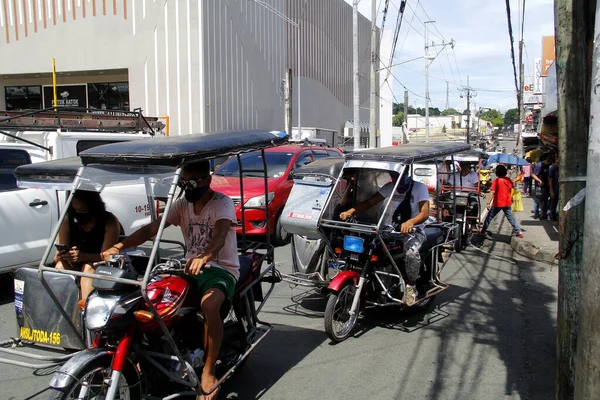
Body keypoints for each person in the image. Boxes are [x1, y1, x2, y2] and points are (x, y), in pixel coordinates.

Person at [102, 160, 239, 400]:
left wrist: (205, 256)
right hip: (188, 267)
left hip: (220, 268)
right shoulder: (181, 205)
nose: (189, 186)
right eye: (184, 181)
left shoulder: (222, 203)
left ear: (207, 180)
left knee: (209, 305)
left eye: (194, 181)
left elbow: (219, 234)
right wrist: (119, 246)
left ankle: (209, 370)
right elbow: (151, 229)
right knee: (152, 301)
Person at [339, 168, 430, 306]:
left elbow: (425, 213)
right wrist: (351, 211)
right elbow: (370, 202)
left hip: (413, 232)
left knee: (411, 253)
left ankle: (411, 286)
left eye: (398, 175)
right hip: (389, 230)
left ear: (406, 174)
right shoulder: (390, 187)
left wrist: (410, 222)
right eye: (393, 175)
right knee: (368, 248)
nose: (395, 179)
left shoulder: (419, 188)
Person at [55, 190, 121, 302]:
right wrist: (64, 256)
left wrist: (83, 257)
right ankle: (61, 307)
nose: (79, 214)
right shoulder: (68, 221)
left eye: (83, 210)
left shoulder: (109, 221)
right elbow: (57, 257)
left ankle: (84, 309)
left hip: (99, 264)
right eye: (75, 210)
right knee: (60, 266)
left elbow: (106, 256)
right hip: (75, 263)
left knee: (88, 268)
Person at [480, 165, 524, 238]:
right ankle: (519, 231)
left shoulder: (496, 181)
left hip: (498, 203)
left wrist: (488, 203)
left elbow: (492, 192)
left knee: (489, 217)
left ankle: (483, 231)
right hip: (507, 202)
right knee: (511, 218)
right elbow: (511, 189)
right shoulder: (508, 180)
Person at [532, 154, 552, 220]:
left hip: (546, 186)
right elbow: (534, 175)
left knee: (545, 200)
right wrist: (539, 180)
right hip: (539, 186)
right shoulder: (540, 165)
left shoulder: (549, 165)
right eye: (548, 161)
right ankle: (536, 213)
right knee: (538, 200)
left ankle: (543, 214)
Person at [548, 157, 559, 223]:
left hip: (558, 189)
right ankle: (554, 218)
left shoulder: (560, 168)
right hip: (554, 189)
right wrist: (551, 191)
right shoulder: (552, 168)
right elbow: (550, 180)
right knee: (553, 204)